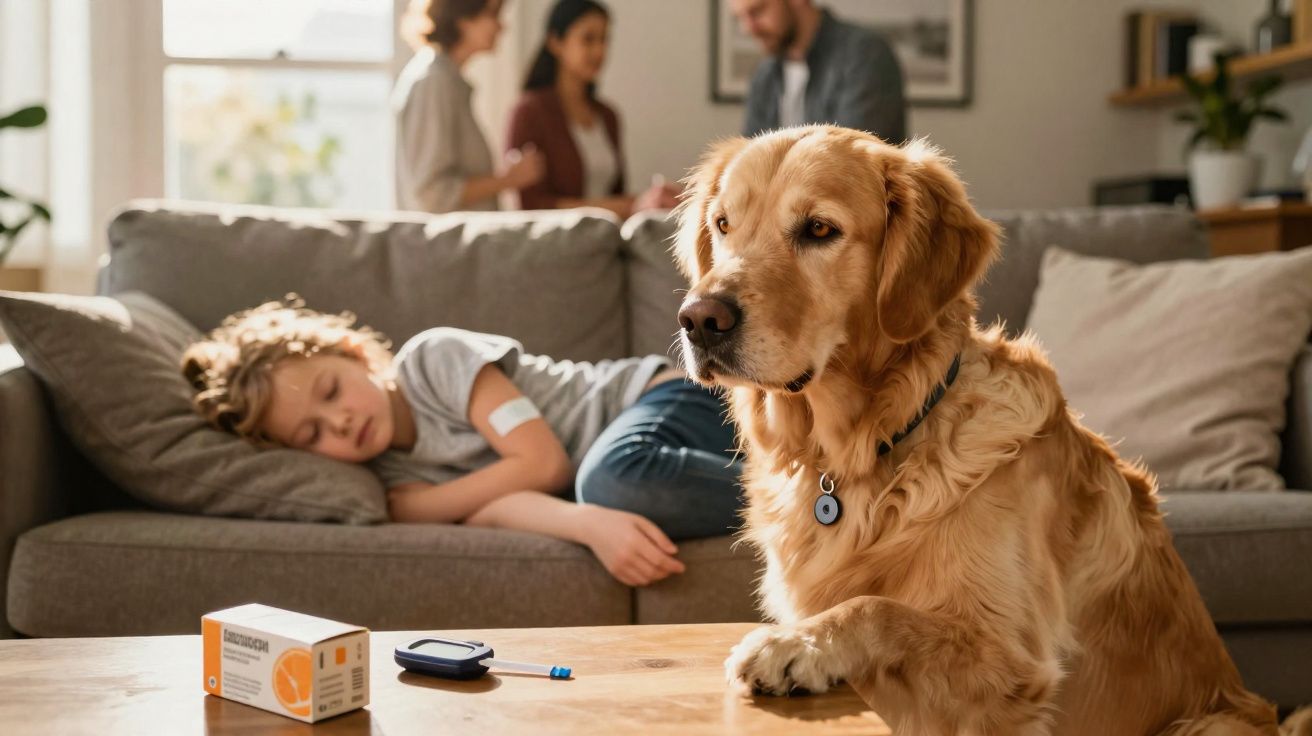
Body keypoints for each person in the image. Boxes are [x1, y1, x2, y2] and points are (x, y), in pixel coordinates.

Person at [181, 299, 742, 588]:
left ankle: (805, 509)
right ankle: (798, 497)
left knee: (609, 481)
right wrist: (587, 525)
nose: (341, 422)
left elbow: (542, 462)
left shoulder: (433, 361)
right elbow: (499, 509)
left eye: (331, 391)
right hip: (631, 474)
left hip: (655, 402)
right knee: (609, 489)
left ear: (353, 352)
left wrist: (444, 505)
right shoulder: (393, 482)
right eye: (313, 434)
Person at [505, 0, 679, 218]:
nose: (599, 50)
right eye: (588, 39)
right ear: (555, 42)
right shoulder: (529, 113)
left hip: (606, 242)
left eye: (604, 39)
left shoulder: (608, 116)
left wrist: (653, 200)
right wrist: (632, 204)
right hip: (553, 246)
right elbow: (531, 207)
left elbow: (616, 194)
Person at [393, 0, 545, 213]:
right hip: (443, 245)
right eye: (492, 15)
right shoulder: (433, 82)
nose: (502, 26)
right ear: (463, 17)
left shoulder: (447, 82)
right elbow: (431, 194)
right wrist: (507, 179)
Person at [731, 0, 907, 144]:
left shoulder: (866, 55)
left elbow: (850, 160)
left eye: (757, 11)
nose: (747, 28)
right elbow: (750, 157)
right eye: (740, 17)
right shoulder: (764, 75)